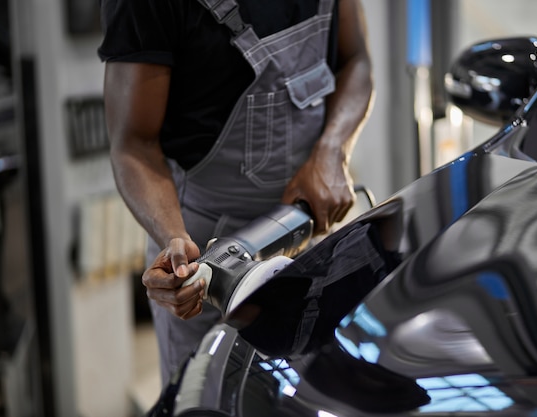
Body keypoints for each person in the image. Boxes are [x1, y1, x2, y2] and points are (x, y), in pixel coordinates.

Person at [98, 0, 374, 386]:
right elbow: (133, 145)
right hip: (208, 263)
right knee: (213, 395)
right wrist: (175, 244)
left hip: (311, 227)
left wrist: (331, 152)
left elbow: (356, 60)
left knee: (315, 393)